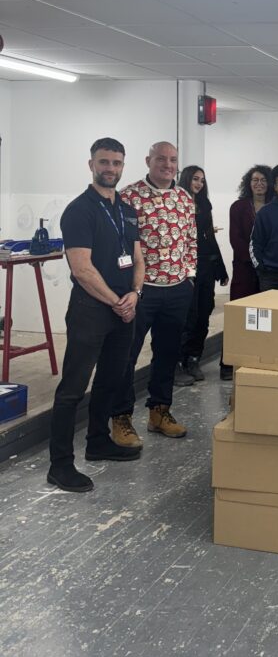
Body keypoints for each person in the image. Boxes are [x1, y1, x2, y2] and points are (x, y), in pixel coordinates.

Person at [47, 138, 144, 493]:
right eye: (104, 162)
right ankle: (59, 465)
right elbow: (82, 269)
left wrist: (134, 293)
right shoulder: (80, 210)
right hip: (91, 310)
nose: (111, 169)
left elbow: (137, 256)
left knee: (111, 380)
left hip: (123, 309)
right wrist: (116, 301)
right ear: (91, 165)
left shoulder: (127, 209)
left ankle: (98, 441)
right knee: (73, 388)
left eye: (117, 163)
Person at [111, 141, 196, 445]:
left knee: (167, 354)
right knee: (126, 355)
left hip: (176, 290)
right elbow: (118, 244)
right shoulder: (128, 197)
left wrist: (189, 275)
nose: (168, 165)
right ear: (148, 161)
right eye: (161, 159)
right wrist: (126, 287)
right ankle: (120, 418)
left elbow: (190, 240)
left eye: (173, 160)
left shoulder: (185, 198)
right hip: (140, 291)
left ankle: (160, 411)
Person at [176, 166, 228, 384]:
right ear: (186, 179)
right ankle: (178, 362)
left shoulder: (204, 204)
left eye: (202, 180)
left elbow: (208, 236)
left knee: (203, 314)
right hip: (185, 269)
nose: (198, 183)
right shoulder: (176, 202)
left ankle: (193, 359)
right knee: (187, 316)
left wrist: (221, 267)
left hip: (205, 265)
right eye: (195, 179)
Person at [220, 164, 272, 380]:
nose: (259, 184)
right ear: (248, 184)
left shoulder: (275, 206)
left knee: (265, 318)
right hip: (244, 269)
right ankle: (228, 363)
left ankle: (258, 360)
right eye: (254, 180)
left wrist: (267, 263)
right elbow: (236, 239)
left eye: (263, 180)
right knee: (239, 316)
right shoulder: (238, 207)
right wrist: (255, 261)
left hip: (270, 271)